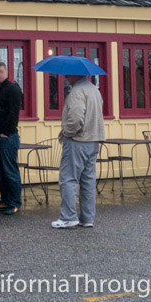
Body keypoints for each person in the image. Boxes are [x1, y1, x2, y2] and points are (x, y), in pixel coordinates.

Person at [52, 74, 105, 229]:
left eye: (68, 74)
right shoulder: (95, 90)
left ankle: (68, 217)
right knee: (88, 180)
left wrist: (67, 133)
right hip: (93, 140)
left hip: (78, 140)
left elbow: (75, 119)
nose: (66, 77)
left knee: (68, 179)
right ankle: (87, 218)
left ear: (75, 75)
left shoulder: (76, 92)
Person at [0, 61, 23, 215]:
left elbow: (14, 113)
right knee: (0, 170)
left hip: (7, 136)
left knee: (10, 170)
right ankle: (5, 200)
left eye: (0, 71)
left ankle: (14, 202)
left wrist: (5, 132)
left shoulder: (13, 89)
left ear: (7, 72)